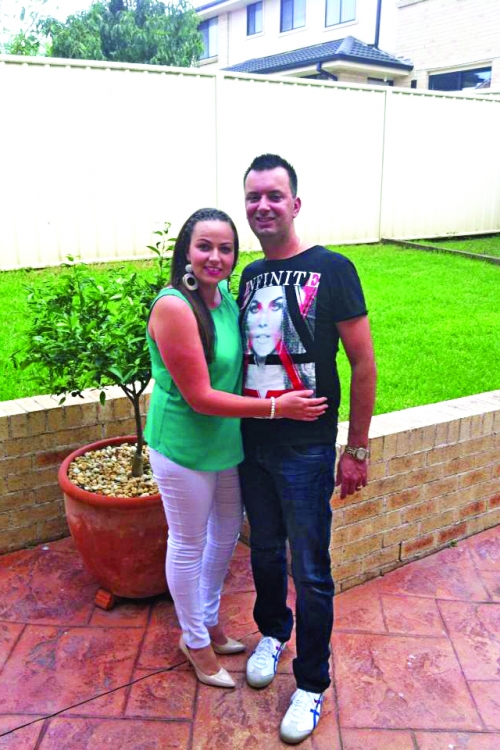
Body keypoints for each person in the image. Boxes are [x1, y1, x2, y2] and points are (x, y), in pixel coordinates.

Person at [144, 207, 328, 690]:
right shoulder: (174, 307)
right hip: (183, 445)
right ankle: (194, 640)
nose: (215, 257)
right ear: (186, 250)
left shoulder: (225, 298)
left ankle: (207, 620)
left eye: (225, 248)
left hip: (225, 440)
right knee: (188, 542)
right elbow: (200, 397)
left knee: (225, 534)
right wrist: (277, 408)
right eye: (204, 246)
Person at [237, 156, 376, 743]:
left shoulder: (334, 268)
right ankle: (273, 631)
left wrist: (357, 449)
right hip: (253, 442)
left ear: (295, 204)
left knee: (311, 570)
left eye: (274, 195)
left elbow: (363, 363)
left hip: (307, 449)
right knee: (265, 552)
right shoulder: (248, 275)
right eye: (253, 197)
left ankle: (312, 683)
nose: (263, 206)